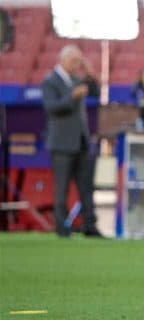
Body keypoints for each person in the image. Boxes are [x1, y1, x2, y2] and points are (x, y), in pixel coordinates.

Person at [41, 44, 102, 237]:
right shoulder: (51, 81)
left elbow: (96, 91)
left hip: (81, 142)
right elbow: (52, 108)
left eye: (79, 61)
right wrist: (71, 97)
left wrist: (89, 70)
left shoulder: (77, 79)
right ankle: (62, 227)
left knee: (86, 186)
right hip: (61, 143)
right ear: (63, 60)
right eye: (74, 61)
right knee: (62, 187)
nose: (77, 65)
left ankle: (90, 225)